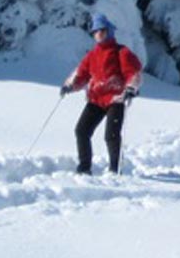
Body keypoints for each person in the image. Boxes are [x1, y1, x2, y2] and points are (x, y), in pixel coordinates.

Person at [61, 14, 142, 175]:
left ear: (110, 31)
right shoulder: (92, 55)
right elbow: (81, 73)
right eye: (95, 32)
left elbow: (133, 72)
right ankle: (84, 168)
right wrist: (70, 85)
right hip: (96, 99)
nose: (98, 34)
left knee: (111, 135)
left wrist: (131, 88)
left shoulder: (122, 52)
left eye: (102, 31)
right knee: (81, 131)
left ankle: (115, 169)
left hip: (116, 99)